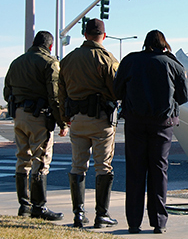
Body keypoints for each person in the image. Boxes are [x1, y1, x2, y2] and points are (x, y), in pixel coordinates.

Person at [113, 29, 188, 234]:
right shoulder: (172, 63)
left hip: (135, 122)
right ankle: (158, 222)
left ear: (145, 44)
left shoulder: (130, 61)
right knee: (159, 171)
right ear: (164, 45)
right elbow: (185, 95)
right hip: (162, 124)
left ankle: (133, 222)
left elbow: (116, 90)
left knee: (135, 171)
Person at [58, 18, 119, 228]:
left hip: (77, 120)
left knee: (78, 166)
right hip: (101, 119)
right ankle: (101, 215)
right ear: (104, 35)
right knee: (103, 167)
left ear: (85, 35)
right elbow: (116, 89)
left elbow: (61, 93)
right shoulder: (107, 59)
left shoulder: (68, 60)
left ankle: (78, 214)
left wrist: (65, 119)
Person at [3, 31, 68, 221]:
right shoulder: (49, 63)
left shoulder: (17, 62)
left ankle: (24, 205)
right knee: (41, 160)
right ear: (49, 46)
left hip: (19, 115)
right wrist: (62, 122)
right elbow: (55, 96)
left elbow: (7, 91)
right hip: (39, 117)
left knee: (22, 159)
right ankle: (39, 207)